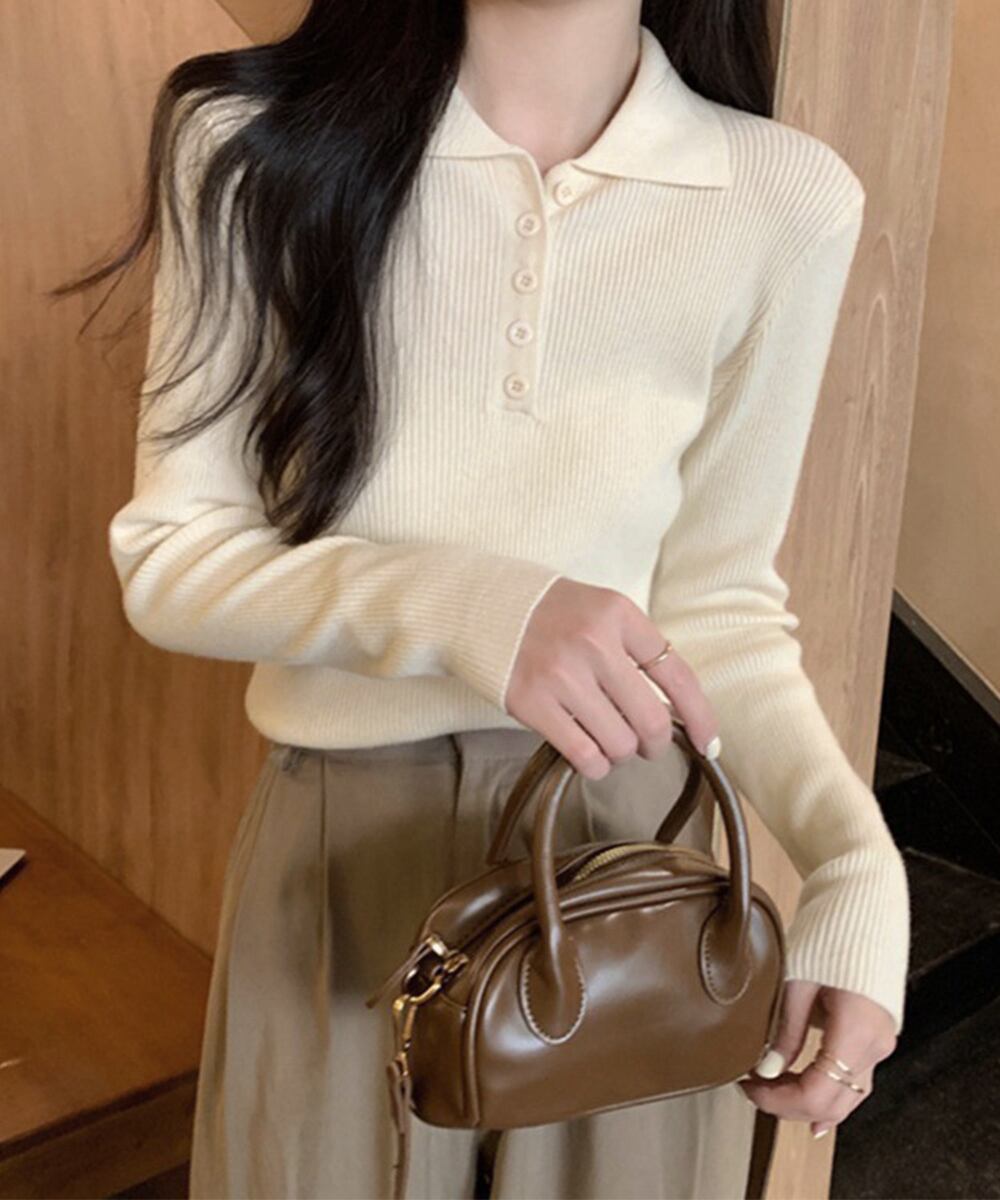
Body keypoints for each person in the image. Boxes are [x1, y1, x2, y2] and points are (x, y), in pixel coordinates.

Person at [68, 0, 910, 1195]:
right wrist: (472, 607)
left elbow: (717, 607)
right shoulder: (248, 140)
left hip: (627, 856)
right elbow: (173, 560)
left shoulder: (783, 197)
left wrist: (853, 865)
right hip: (341, 856)